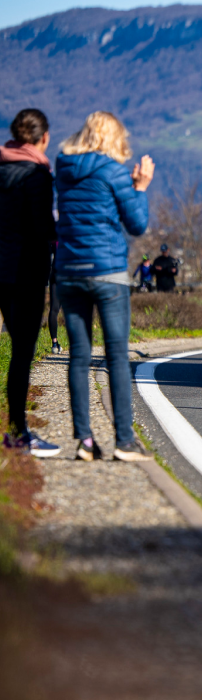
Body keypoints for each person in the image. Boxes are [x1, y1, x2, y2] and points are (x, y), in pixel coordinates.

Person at [55, 111, 153, 461]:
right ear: (114, 138)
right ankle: (124, 441)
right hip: (107, 271)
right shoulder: (113, 171)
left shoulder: (63, 167)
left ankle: (83, 440)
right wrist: (140, 188)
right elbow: (137, 224)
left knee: (78, 356)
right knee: (115, 355)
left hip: (68, 269)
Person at [0, 108, 61, 457]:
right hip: (23, 273)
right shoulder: (38, 174)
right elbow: (42, 230)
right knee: (21, 354)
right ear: (43, 138)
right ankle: (18, 433)